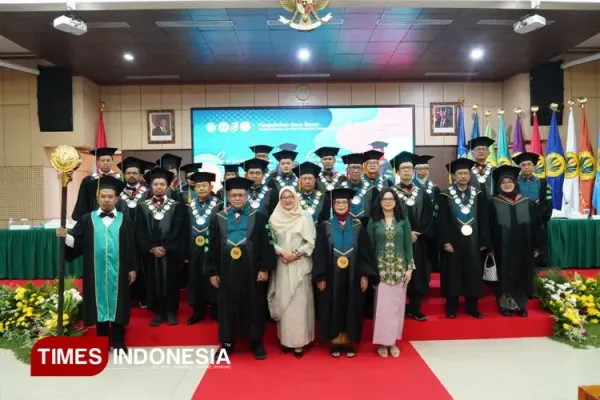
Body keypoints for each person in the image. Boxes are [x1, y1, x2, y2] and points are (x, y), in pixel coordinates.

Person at [57, 176, 137, 353]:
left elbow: (132, 245)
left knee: (119, 304)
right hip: (95, 271)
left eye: (110, 196)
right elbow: (77, 243)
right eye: (103, 196)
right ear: (97, 198)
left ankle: (118, 342)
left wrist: (133, 268)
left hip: (119, 271)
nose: (107, 199)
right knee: (99, 303)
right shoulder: (87, 219)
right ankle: (102, 341)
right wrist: (66, 236)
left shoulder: (125, 219)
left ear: (116, 199)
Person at [205, 177, 277, 360]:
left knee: (254, 305)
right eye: (234, 195)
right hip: (226, 270)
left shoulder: (259, 217)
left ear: (247, 197)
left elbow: (267, 244)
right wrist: (212, 272)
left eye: (241, 195)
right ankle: (227, 343)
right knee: (227, 307)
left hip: (252, 271)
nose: (237, 198)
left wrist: (265, 268)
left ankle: (256, 342)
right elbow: (211, 246)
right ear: (228, 197)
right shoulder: (218, 218)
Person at [313, 188, 378, 358]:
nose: (341, 205)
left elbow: (364, 253)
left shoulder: (358, 226)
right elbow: (320, 252)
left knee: (352, 306)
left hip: (353, 274)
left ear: (349, 205)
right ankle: (335, 341)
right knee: (332, 305)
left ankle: (349, 341)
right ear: (333, 205)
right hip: (331, 274)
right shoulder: (325, 226)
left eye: (344, 202)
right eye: (338, 203)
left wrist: (364, 275)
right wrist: (320, 276)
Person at [437, 158, 492, 319]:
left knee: (473, 273)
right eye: (459, 173)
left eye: (465, 173)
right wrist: (444, 241)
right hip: (453, 242)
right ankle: (451, 307)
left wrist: (484, 241)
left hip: (473, 242)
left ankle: (472, 306)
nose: (463, 176)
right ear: (454, 176)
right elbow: (441, 220)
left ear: (470, 175)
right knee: (452, 273)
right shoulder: (445, 195)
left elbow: (484, 219)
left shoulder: (478, 194)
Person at [267, 188, 316, 359]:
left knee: (299, 304)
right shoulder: (274, 219)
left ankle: (300, 343)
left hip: (300, 266)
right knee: (284, 303)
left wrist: (295, 254)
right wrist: (282, 252)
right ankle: (286, 341)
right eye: (284, 197)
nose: (287, 200)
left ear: (296, 198)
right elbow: (269, 241)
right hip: (282, 264)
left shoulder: (304, 217)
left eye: (290, 197)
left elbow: (311, 242)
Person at [135, 167, 187, 326]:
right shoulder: (142, 206)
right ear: (151, 186)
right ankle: (157, 312)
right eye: (156, 184)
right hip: (151, 254)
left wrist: (166, 247)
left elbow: (179, 229)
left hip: (170, 253)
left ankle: (171, 311)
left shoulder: (176, 206)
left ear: (167, 186)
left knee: (171, 281)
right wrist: (152, 248)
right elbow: (140, 230)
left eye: (162, 184)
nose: (159, 187)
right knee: (153, 281)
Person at [489, 165, 542, 317]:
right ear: (499, 185)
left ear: (515, 183)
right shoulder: (492, 203)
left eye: (509, 181)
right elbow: (487, 226)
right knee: (504, 276)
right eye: (503, 182)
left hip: (523, 247)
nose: (507, 184)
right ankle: (505, 305)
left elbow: (537, 226)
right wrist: (489, 247)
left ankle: (520, 305)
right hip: (501, 247)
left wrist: (537, 246)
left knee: (522, 275)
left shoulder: (528, 202)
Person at [367, 189, 414, 358]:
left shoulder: (403, 221)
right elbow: (370, 248)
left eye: (391, 199)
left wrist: (410, 268)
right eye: (384, 199)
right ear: (379, 202)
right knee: (382, 308)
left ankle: (392, 341)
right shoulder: (374, 221)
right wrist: (371, 271)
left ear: (396, 202)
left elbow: (408, 245)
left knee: (396, 307)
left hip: (399, 269)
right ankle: (381, 342)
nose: (388, 202)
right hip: (381, 270)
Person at [390, 152, 434, 321]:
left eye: (409, 168)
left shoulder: (422, 193)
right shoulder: (390, 194)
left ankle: (415, 308)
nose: (407, 171)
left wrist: (418, 233)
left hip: (418, 241)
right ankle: (398, 308)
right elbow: (387, 216)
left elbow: (428, 217)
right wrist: (405, 234)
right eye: (403, 168)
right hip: (397, 241)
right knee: (399, 272)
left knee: (418, 273)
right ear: (398, 171)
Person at [117, 156, 154, 308]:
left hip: (142, 237)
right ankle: (125, 296)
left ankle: (143, 297)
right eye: (128, 173)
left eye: (135, 173)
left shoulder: (148, 193)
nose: (131, 175)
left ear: (140, 175)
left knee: (143, 266)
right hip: (122, 237)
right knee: (123, 265)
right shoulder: (117, 193)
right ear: (124, 175)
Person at [187, 172, 223, 324]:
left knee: (213, 276)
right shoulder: (188, 206)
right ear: (194, 188)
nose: (201, 188)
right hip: (194, 249)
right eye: (198, 186)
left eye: (204, 185)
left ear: (211, 187)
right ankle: (198, 311)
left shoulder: (220, 205)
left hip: (213, 247)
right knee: (195, 278)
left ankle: (216, 308)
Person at [512, 152, 552, 269]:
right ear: (519, 168)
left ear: (534, 167)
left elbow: (548, 202)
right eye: (523, 165)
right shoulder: (514, 183)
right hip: (519, 221)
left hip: (538, 220)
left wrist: (538, 216)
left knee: (538, 247)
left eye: (529, 164)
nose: (526, 167)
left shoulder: (542, 182)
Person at [72, 147, 122, 220]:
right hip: (93, 219)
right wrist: (85, 220)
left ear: (112, 161)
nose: (105, 163)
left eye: (108, 160)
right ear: (97, 162)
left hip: (116, 218)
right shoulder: (88, 180)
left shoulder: (120, 179)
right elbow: (83, 202)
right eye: (102, 160)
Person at [413, 154, 441, 273]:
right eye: (420, 168)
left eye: (425, 168)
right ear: (415, 170)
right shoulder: (411, 186)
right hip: (416, 226)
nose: (423, 171)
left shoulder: (434, 188)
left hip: (431, 228)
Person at [342, 153, 378, 224]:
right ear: (347, 170)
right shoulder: (340, 190)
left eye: (358, 168)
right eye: (352, 167)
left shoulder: (372, 190)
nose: (355, 171)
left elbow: (376, 212)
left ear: (363, 170)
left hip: (366, 227)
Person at [293, 161, 330, 225]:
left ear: (315, 180)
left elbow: (326, 220)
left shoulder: (324, 197)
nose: (307, 181)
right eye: (304, 179)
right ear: (300, 181)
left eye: (310, 178)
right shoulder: (294, 197)